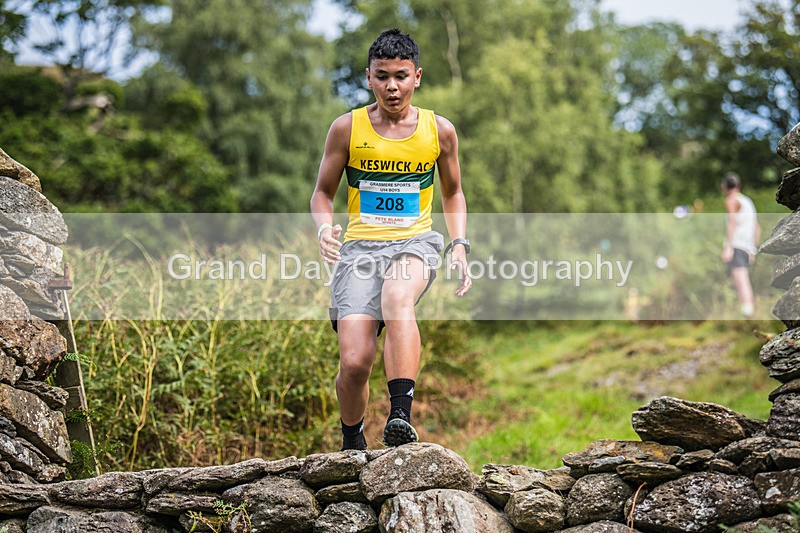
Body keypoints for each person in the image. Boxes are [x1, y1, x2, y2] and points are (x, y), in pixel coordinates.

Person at [310, 29, 471, 450]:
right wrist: (325, 230)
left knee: (398, 298)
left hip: (415, 242)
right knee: (355, 361)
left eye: (401, 76)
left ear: (417, 76)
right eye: (382, 76)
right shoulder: (347, 129)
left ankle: (400, 417)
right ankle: (353, 441)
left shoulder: (441, 131)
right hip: (359, 250)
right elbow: (322, 194)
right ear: (368, 78)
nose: (392, 86)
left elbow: (453, 193)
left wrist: (459, 244)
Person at [721, 172, 760, 317]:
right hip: (747, 247)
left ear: (725, 186)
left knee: (741, 281)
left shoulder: (731, 200)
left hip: (737, 245)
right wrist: (753, 250)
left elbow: (732, 222)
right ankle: (747, 314)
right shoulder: (748, 202)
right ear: (739, 186)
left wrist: (728, 247)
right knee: (742, 281)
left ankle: (748, 316)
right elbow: (757, 227)